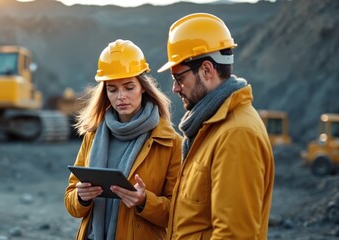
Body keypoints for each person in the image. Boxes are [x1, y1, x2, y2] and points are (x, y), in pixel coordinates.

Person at [157, 13, 275, 239]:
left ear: (207, 70)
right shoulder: (209, 128)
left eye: (179, 78)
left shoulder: (236, 134)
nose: (175, 88)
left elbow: (234, 235)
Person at [64, 39, 182, 240]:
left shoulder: (169, 141)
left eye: (129, 87)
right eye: (112, 89)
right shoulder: (93, 135)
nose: (121, 97)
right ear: (105, 92)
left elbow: (179, 213)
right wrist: (81, 197)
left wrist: (145, 201)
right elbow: (71, 203)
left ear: (143, 87)